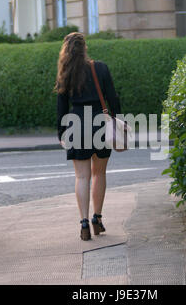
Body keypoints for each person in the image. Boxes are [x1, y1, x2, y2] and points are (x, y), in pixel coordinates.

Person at [56, 32, 121, 241]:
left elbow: (61, 107)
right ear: (85, 47)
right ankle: (97, 219)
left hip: (75, 123)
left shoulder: (66, 73)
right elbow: (113, 97)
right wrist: (118, 120)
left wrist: (61, 131)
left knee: (81, 176)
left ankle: (83, 222)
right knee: (99, 174)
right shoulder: (100, 68)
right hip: (99, 122)